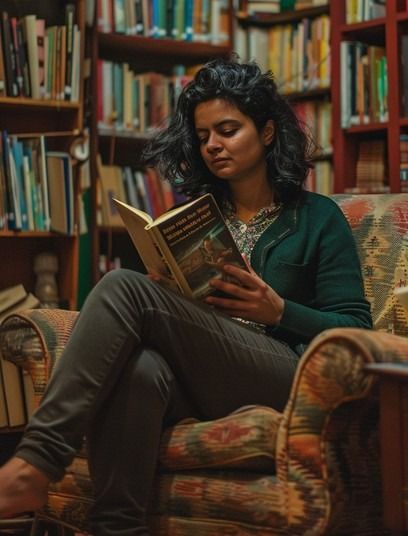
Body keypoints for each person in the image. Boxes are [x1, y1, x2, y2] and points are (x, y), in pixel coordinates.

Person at [0, 59, 372, 535]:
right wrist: (171, 292)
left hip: (284, 374)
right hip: (203, 369)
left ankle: (36, 461)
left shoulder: (318, 217)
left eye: (228, 129)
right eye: (203, 136)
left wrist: (278, 311)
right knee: (140, 369)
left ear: (268, 132)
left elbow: (358, 331)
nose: (213, 145)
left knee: (120, 286)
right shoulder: (194, 217)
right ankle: (117, 527)